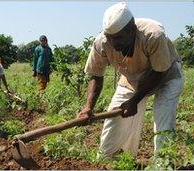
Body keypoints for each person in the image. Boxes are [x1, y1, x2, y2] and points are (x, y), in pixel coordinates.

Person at [77, 2, 184, 158]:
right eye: (110, 38)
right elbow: (96, 75)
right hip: (132, 77)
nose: (114, 43)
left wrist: (135, 100)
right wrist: (88, 107)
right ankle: (109, 160)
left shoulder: (153, 35)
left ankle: (162, 165)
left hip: (166, 75)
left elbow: (158, 72)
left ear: (132, 29)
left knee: (163, 119)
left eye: (119, 38)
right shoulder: (102, 42)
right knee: (115, 117)